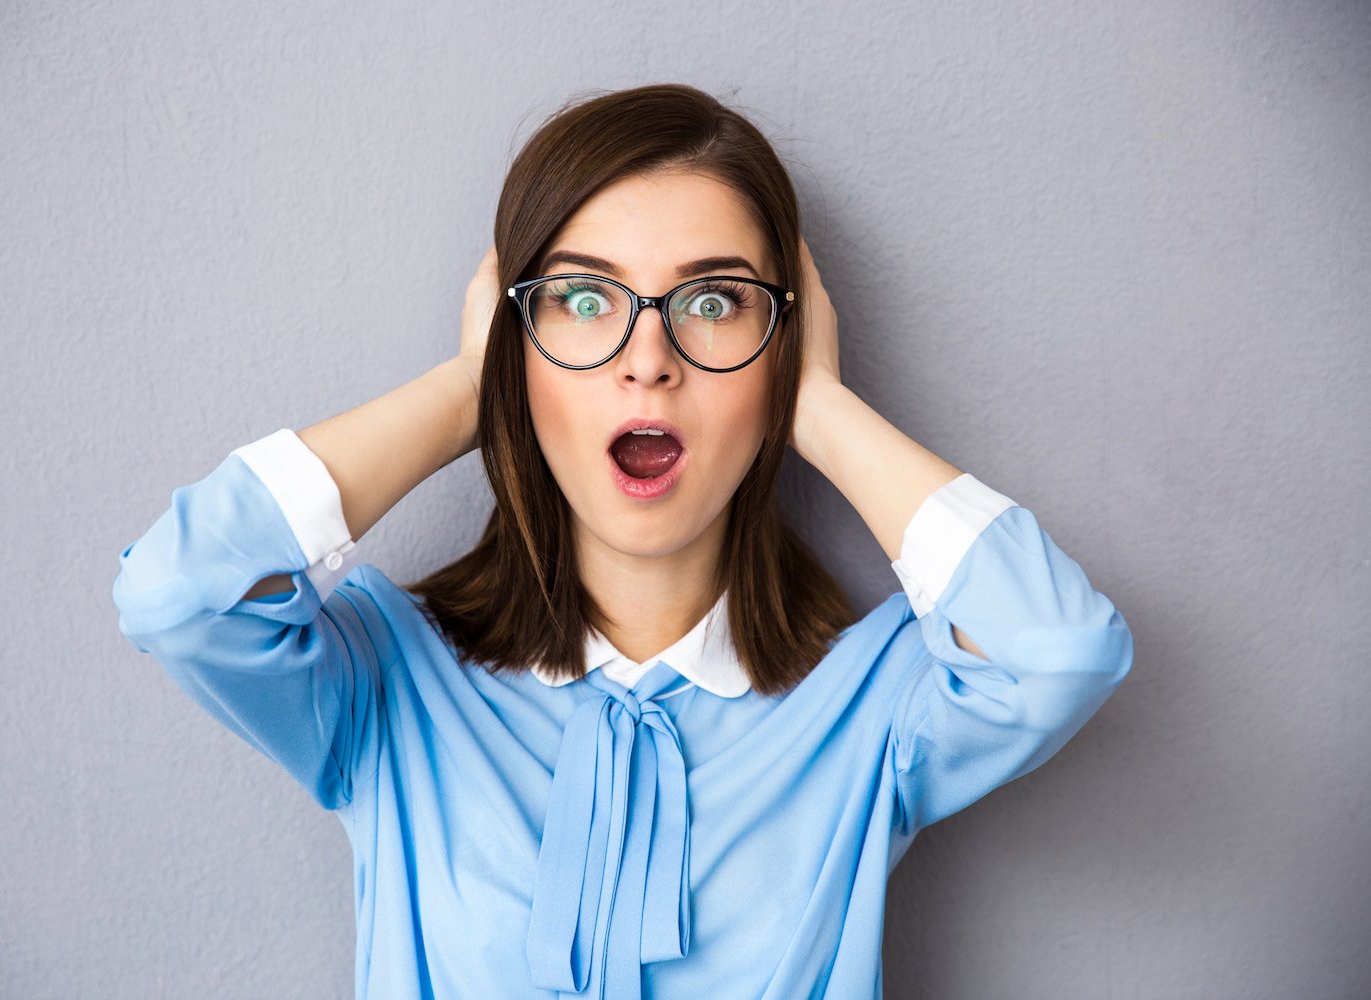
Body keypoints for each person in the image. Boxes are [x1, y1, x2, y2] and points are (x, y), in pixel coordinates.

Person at [112, 83, 1132, 1000]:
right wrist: (471, 389)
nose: (648, 361)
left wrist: (814, 405)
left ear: (780, 338)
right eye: (584, 298)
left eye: (716, 302)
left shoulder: (873, 706)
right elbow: (177, 593)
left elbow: (1060, 651)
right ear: (521, 337)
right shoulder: (388, 681)